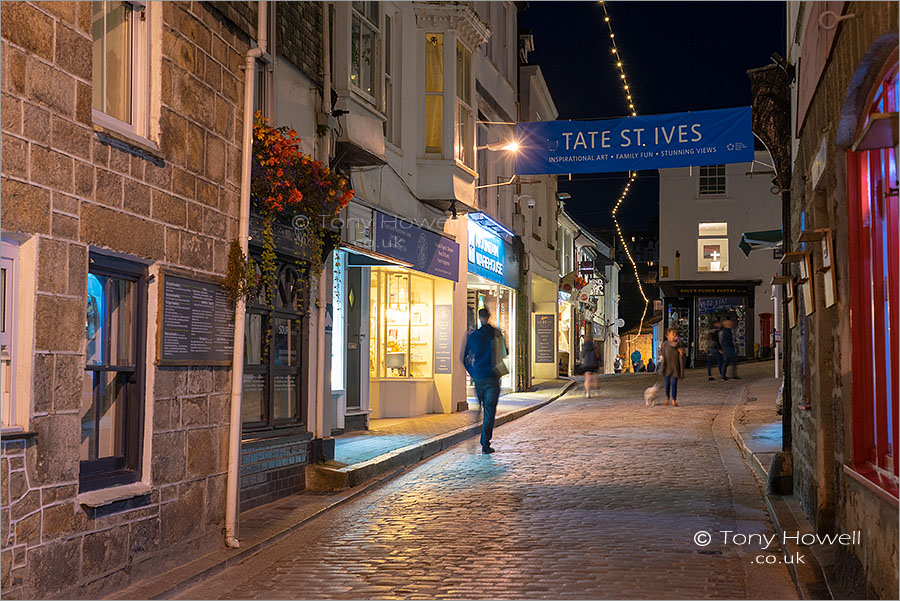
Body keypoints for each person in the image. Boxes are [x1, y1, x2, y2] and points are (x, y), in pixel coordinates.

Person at [462, 308, 508, 454]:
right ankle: (485, 443)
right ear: (488, 317)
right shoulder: (495, 333)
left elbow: (464, 358)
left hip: (479, 377)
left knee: (478, 409)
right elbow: (505, 352)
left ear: (479, 317)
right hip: (492, 377)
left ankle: (472, 440)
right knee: (489, 411)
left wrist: (473, 373)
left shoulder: (474, 336)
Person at [658, 326, 685, 406]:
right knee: (667, 384)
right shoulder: (665, 344)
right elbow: (661, 352)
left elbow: (683, 355)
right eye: (672, 334)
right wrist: (661, 357)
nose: (674, 336)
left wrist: (681, 353)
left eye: (675, 334)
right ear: (667, 336)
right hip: (667, 367)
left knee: (674, 383)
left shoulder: (678, 345)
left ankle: (674, 399)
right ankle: (667, 397)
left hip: (675, 368)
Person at [581, 332, 600, 398]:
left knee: (587, 379)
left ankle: (588, 393)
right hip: (594, 363)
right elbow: (598, 355)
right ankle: (596, 391)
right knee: (595, 379)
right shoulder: (595, 345)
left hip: (586, 364)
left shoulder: (584, 346)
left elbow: (583, 355)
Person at [705, 317, 724, 381]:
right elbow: (716, 341)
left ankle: (710, 375)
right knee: (720, 361)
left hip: (709, 348)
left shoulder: (709, 331)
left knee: (710, 363)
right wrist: (719, 349)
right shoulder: (716, 331)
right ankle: (722, 374)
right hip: (715, 348)